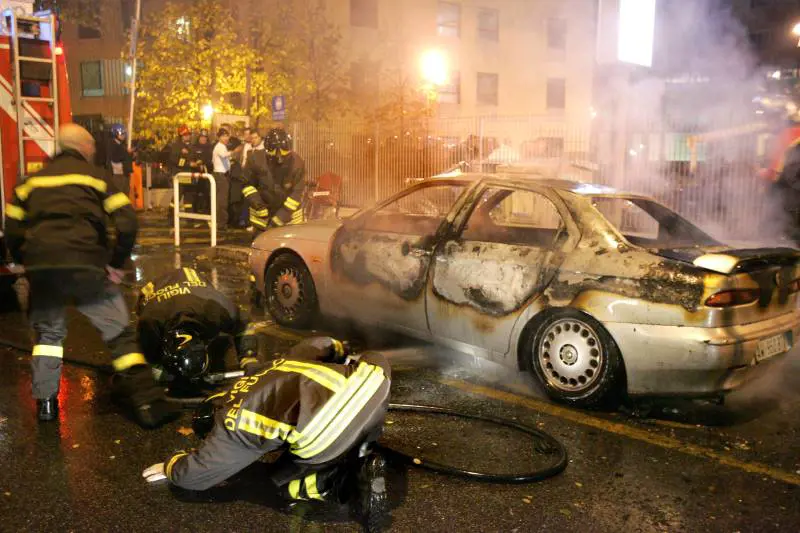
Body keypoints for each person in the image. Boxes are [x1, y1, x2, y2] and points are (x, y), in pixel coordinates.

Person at [3, 123, 177, 427]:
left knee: (48, 337)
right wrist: (116, 262)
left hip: (44, 271)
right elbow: (127, 222)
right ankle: (148, 403)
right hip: (87, 265)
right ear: (84, 147)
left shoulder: (30, 182)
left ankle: (46, 405)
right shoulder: (96, 177)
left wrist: (24, 262)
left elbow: (13, 228)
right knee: (119, 334)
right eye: (92, 147)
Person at [142, 336, 390, 531]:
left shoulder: (228, 423)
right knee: (371, 366)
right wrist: (340, 349)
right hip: (373, 382)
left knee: (284, 483)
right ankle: (363, 447)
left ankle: (348, 481)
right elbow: (319, 344)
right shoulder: (268, 368)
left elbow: (196, 475)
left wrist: (170, 466)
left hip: (326, 426)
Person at [136, 267, 260, 384]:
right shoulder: (149, 324)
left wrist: (248, 357)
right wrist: (157, 372)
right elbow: (144, 361)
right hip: (156, 291)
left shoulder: (214, 309)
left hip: (194, 287)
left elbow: (244, 322)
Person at [265, 128, 307, 228]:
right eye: (275, 154)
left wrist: (280, 217)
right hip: (271, 214)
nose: (279, 159)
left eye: (282, 154)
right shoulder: (262, 162)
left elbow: (297, 194)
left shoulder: (297, 164)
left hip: (292, 216)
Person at [169, 125, 199, 215]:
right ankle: (171, 216)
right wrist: (188, 164)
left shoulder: (192, 146)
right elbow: (174, 161)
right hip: (180, 174)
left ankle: (189, 218)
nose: (188, 136)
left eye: (189, 134)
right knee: (177, 196)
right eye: (185, 135)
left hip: (190, 175)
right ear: (181, 136)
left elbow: (195, 157)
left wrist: (198, 162)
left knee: (189, 198)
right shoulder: (176, 146)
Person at [212, 128, 233, 230]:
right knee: (222, 200)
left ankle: (220, 221)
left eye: (227, 136)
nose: (226, 138)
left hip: (222, 175)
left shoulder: (223, 146)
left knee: (221, 199)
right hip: (220, 176)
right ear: (219, 137)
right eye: (223, 136)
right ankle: (221, 223)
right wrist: (234, 151)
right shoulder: (220, 146)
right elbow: (224, 155)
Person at [107, 123, 134, 199]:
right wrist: (127, 153)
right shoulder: (112, 144)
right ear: (115, 134)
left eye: (124, 133)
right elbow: (116, 158)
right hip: (118, 175)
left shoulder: (121, 145)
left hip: (124, 174)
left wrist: (130, 154)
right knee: (118, 196)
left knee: (125, 196)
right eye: (121, 133)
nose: (123, 135)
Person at [192, 129, 214, 215]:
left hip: (207, 175)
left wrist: (203, 162)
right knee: (195, 194)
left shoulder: (210, 148)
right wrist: (196, 163)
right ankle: (195, 211)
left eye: (205, 137)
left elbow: (211, 160)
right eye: (201, 137)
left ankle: (207, 212)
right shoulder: (194, 147)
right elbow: (191, 158)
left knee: (207, 194)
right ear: (198, 137)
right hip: (195, 175)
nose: (203, 139)